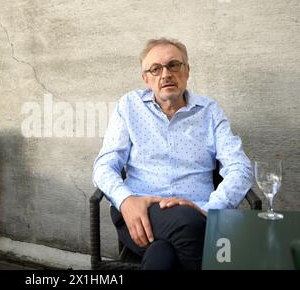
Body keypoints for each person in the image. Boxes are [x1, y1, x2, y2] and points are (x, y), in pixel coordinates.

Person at [92, 38, 253, 270]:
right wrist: (125, 200)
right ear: (146, 79)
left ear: (186, 71)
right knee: (188, 225)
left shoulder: (209, 111)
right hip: (138, 214)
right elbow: (104, 166)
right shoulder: (129, 106)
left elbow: (240, 169)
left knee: (162, 254)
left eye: (173, 65)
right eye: (155, 69)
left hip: (198, 216)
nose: (165, 74)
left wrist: (209, 210)